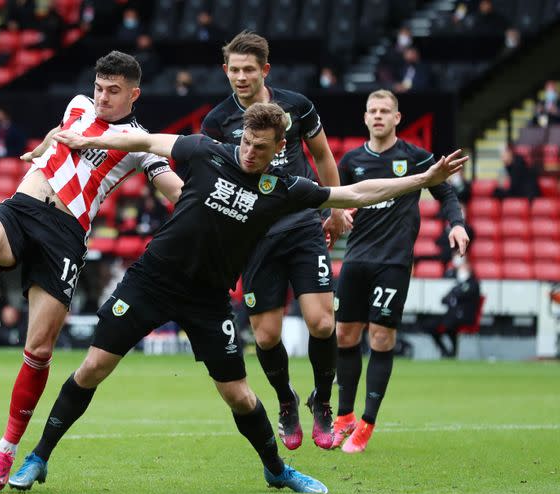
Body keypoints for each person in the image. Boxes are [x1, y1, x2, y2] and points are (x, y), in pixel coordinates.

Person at [7, 102, 467, 494]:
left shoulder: (286, 190)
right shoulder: (207, 151)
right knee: (92, 368)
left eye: (260, 147)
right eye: (246, 141)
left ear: (278, 149)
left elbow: (357, 193)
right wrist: (78, 139)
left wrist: (422, 180)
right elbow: (145, 143)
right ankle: (39, 456)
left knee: (240, 396)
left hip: (207, 299)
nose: (248, 151)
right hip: (152, 280)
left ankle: (277, 470)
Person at [0, 51, 184, 492]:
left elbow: (167, 182)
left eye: (114, 91)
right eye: (99, 87)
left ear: (134, 94)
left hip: (66, 235)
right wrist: (40, 149)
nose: (102, 97)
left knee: (38, 348)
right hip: (26, 203)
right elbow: (61, 131)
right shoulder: (77, 104)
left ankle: (5, 451)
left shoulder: (138, 140)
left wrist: (200, 202)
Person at [201, 31, 351, 451]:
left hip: (302, 224)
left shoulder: (297, 106)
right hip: (253, 236)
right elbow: (214, 179)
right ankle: (286, 400)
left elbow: (322, 157)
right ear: (225, 71)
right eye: (235, 70)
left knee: (322, 322)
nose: (241, 77)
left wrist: (335, 208)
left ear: (265, 70)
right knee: (265, 337)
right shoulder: (216, 122)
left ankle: (322, 400)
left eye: (250, 69)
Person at [333, 89, 470, 453]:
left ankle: (366, 423)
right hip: (356, 260)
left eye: (385, 111)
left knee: (380, 338)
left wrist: (455, 224)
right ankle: (344, 417)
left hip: (392, 263)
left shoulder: (414, 158)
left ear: (397, 118)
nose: (378, 116)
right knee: (344, 335)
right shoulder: (351, 161)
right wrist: (337, 214)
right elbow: (334, 198)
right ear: (365, 118)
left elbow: (447, 194)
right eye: (372, 111)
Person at [424, 256, 481, 357]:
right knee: (430, 325)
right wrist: (453, 298)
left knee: (449, 325)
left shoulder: (473, 283)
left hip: (465, 316)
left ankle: (453, 352)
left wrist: (453, 298)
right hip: (452, 315)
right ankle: (445, 351)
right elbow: (445, 298)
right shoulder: (459, 284)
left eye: (463, 267)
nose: (460, 270)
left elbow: (462, 295)